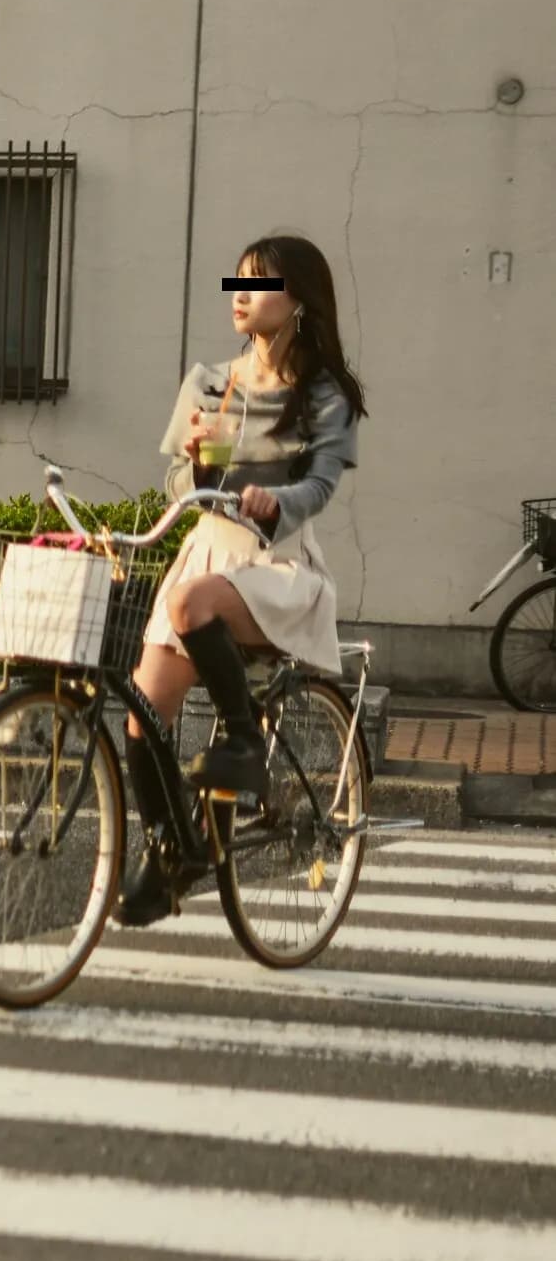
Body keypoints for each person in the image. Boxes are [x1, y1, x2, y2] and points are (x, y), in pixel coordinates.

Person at [116, 234, 370, 928]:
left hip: (275, 564)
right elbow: (180, 480)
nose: (240, 295)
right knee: (141, 716)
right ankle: (172, 849)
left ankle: (243, 745)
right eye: (237, 282)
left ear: (298, 302)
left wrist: (274, 502)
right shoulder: (209, 381)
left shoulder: (323, 393)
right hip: (206, 552)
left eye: (256, 284)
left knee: (191, 602)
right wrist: (197, 469)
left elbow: (317, 487)